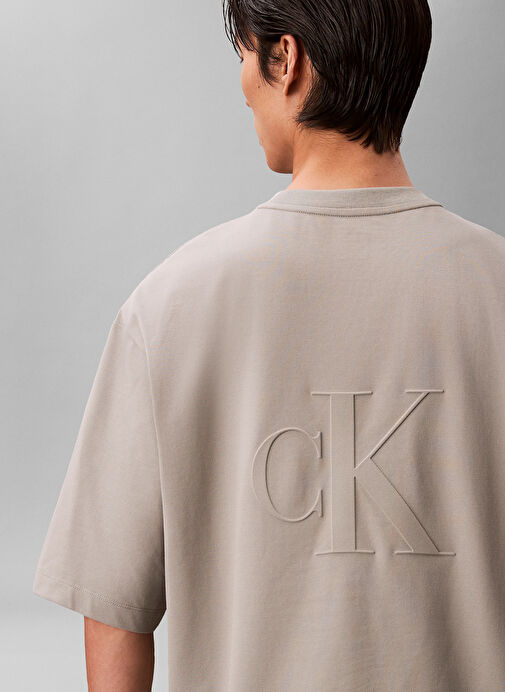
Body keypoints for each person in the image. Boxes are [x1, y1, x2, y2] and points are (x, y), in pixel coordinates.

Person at [33, 0, 505, 690]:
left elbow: (113, 611)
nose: (242, 85)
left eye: (245, 55)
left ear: (286, 60)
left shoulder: (169, 304)